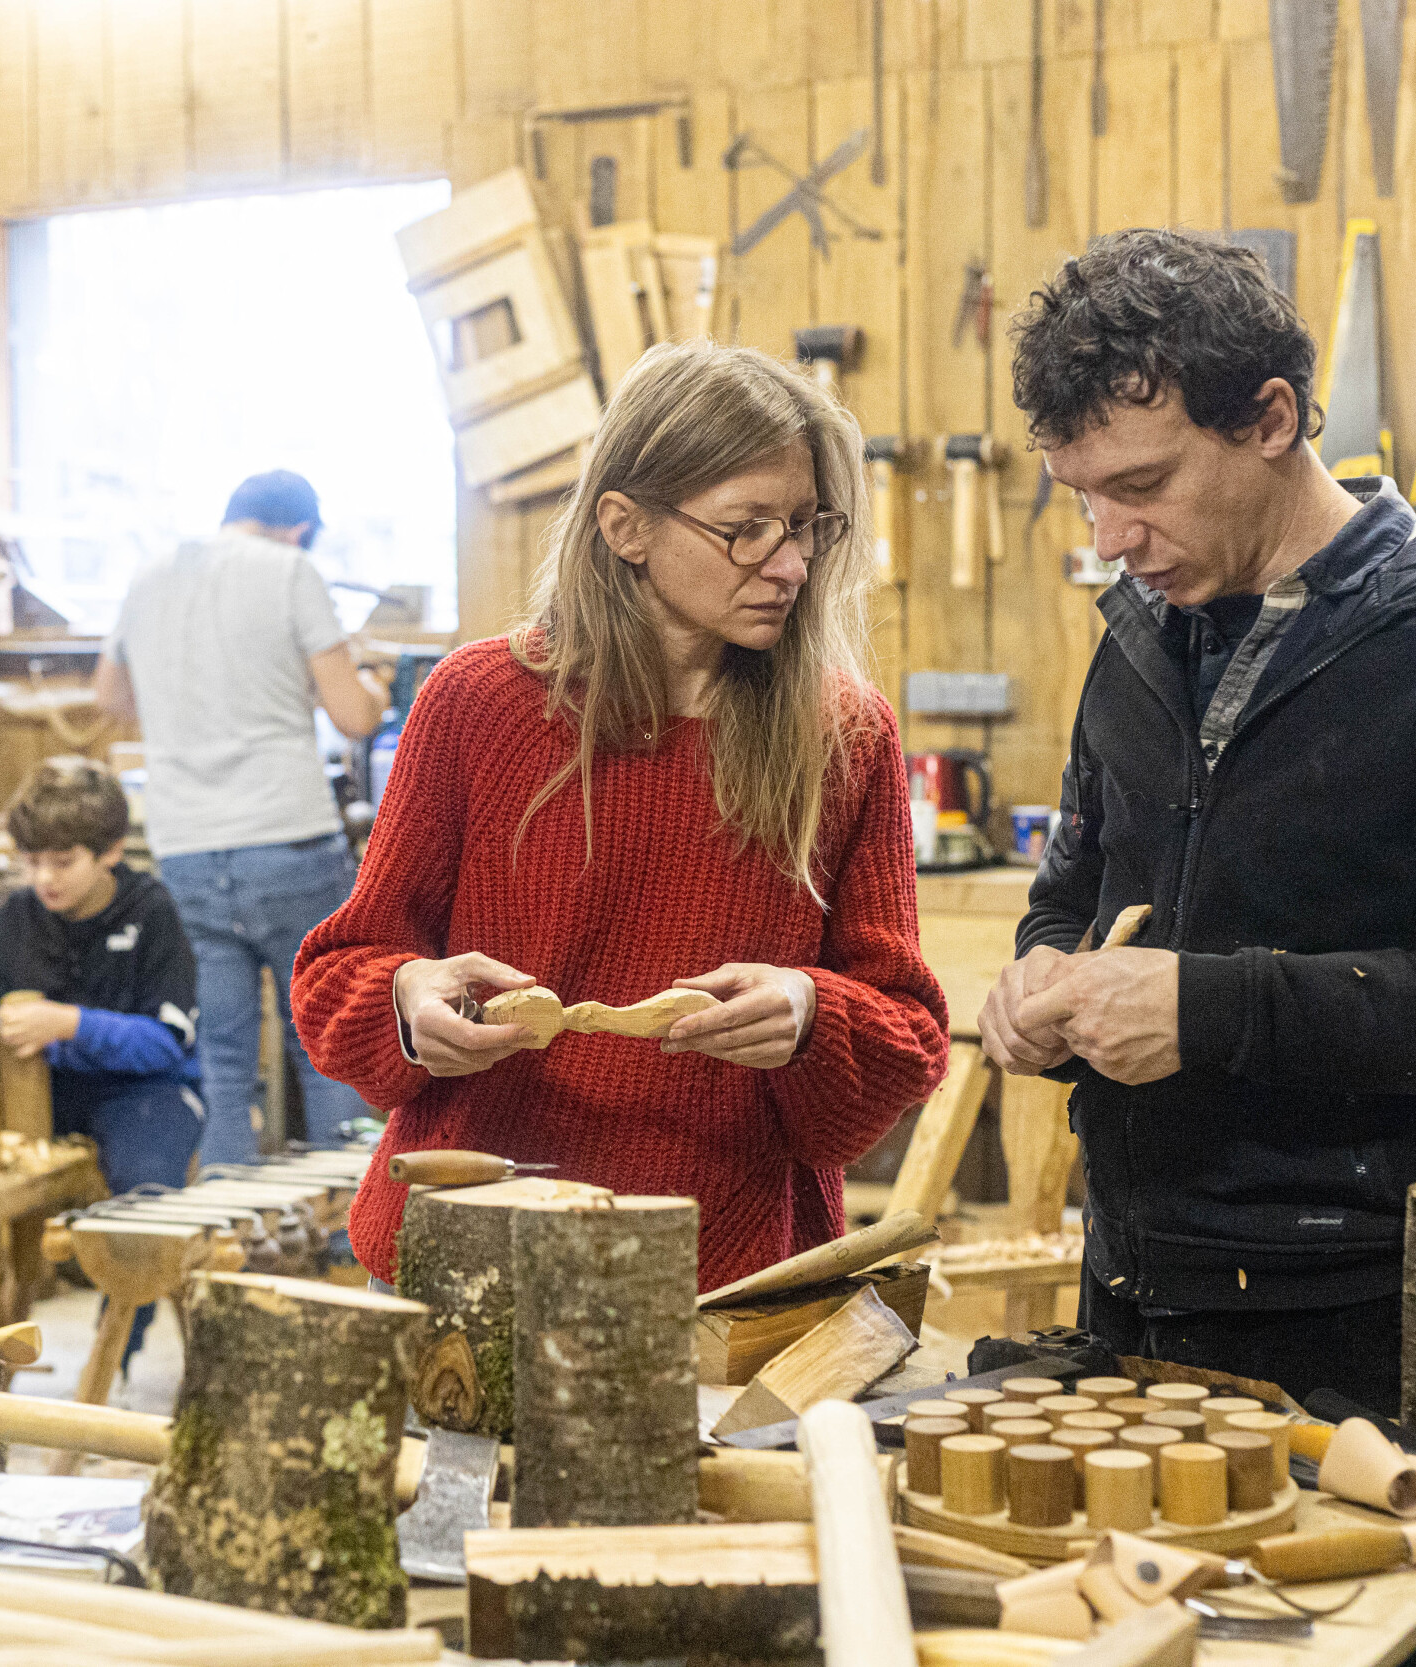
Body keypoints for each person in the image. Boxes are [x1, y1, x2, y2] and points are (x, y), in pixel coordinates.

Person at [982, 229, 1416, 1414]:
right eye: (1082, 496)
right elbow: (1073, 893)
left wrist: (1205, 1007)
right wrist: (1038, 977)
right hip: (1129, 1284)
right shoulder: (1139, 638)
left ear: (1271, 418)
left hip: (1369, 1317)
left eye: (1139, 486)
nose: (1109, 538)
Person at [291, 343, 948, 1292]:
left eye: (806, 526)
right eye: (747, 528)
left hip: (722, 1279)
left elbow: (906, 1028)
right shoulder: (479, 702)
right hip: (473, 1254)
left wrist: (811, 1011)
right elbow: (338, 972)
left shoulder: (843, 735)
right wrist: (408, 1002)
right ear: (625, 525)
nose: (793, 564)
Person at [96, 470, 388, 1166]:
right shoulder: (291, 571)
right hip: (285, 835)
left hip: (186, 845)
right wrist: (373, 681)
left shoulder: (149, 574)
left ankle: (233, 1235)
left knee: (223, 1057)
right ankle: (342, 1240)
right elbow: (352, 714)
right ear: (299, 530)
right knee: (324, 1041)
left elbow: (110, 696)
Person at [0, 757, 202, 1340]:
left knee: (145, 1182)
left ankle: (123, 1335)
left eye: (63, 862)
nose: (45, 879)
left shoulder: (153, 911)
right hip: (44, 1090)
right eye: (32, 863)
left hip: (141, 1090)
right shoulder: (17, 917)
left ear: (110, 851)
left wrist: (71, 1024)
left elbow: (168, 1044)